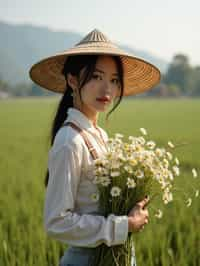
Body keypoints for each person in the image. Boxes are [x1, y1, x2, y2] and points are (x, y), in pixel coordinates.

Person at [29, 29, 161, 266]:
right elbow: (56, 223)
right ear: (72, 80)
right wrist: (124, 225)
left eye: (113, 80)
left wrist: (131, 201)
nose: (106, 89)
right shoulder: (70, 141)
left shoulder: (99, 134)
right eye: (96, 77)